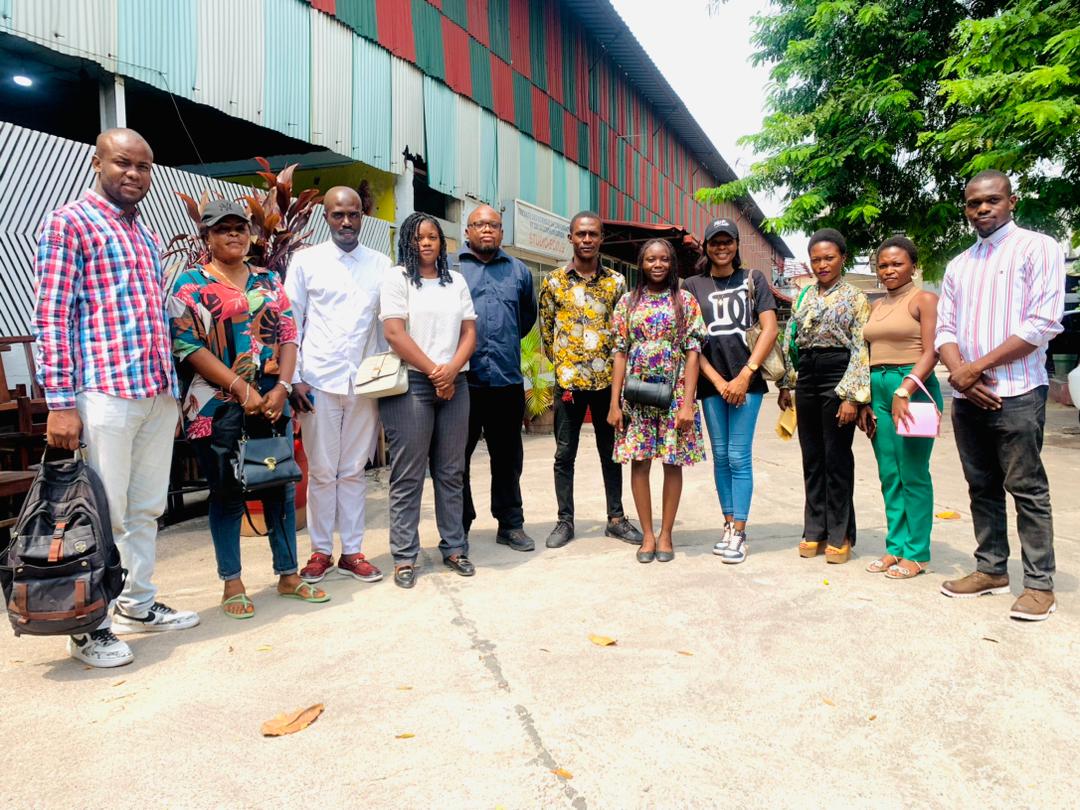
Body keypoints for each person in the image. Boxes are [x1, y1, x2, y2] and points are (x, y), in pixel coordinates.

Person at [33, 128, 199, 668]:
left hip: (154, 390)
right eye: (123, 163)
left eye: (144, 167)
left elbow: (146, 310)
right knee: (101, 513)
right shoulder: (70, 224)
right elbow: (53, 317)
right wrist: (60, 401)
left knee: (145, 508)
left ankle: (137, 603)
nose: (133, 174)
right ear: (98, 162)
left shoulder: (144, 236)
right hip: (105, 392)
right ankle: (90, 626)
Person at [170, 200, 328, 617]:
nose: (234, 235)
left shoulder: (268, 281)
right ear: (207, 236)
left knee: (278, 483)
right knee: (226, 493)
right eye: (223, 229)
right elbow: (186, 345)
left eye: (240, 228)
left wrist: (282, 387)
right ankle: (233, 583)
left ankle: (289, 574)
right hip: (215, 406)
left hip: (271, 400)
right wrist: (241, 388)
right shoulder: (190, 285)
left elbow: (290, 335)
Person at [935, 169, 1064, 620]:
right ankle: (991, 569)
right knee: (981, 486)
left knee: (1027, 489)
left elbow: (1042, 323)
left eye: (992, 200)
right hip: (969, 396)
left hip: (1019, 391)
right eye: (973, 203)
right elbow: (945, 329)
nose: (982, 209)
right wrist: (960, 374)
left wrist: (975, 369)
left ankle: (1039, 584)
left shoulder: (1039, 247)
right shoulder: (959, 265)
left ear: (1012, 201)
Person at [284, 186, 391, 585]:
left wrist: (385, 379)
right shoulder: (305, 261)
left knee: (353, 470)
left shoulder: (381, 264)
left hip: (364, 382)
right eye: (338, 215)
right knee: (323, 471)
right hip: (317, 381)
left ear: (362, 217)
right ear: (325, 217)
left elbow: (386, 326)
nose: (346, 222)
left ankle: (353, 551)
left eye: (353, 214)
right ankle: (320, 551)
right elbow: (290, 321)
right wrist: (292, 379)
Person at [379, 212, 478, 589]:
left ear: (442, 242)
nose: (426, 243)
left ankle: (454, 547)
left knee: (451, 472)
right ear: (408, 240)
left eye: (433, 236)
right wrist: (436, 372)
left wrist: (451, 371)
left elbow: (470, 332)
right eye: (419, 237)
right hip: (412, 385)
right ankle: (405, 556)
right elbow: (394, 333)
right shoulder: (397, 278)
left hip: (456, 385)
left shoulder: (457, 282)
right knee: (408, 475)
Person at [538, 212, 644, 548]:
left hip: (607, 387)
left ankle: (616, 517)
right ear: (570, 237)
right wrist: (568, 367)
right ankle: (564, 521)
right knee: (564, 454)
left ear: (601, 239)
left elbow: (623, 335)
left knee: (610, 452)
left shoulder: (616, 283)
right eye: (580, 234)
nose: (586, 240)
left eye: (593, 234)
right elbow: (547, 331)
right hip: (569, 387)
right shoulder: (553, 283)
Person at [683, 218, 779, 564]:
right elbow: (691, 342)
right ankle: (727, 523)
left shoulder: (753, 280)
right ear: (705, 247)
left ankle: (740, 531)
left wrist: (745, 374)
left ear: (737, 246)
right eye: (715, 242)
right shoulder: (692, 285)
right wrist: (720, 381)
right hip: (712, 386)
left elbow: (769, 329)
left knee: (739, 456)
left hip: (747, 384)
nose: (721, 248)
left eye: (728, 242)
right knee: (720, 456)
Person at [608, 239, 706, 563]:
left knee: (672, 461)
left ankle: (666, 534)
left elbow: (694, 353)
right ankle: (647, 535)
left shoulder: (685, 300)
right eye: (651, 259)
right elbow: (619, 352)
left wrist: (688, 403)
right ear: (642, 263)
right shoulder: (627, 302)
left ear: (672, 263)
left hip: (674, 390)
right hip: (636, 394)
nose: (658, 264)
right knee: (639, 461)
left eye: (664, 259)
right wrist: (614, 403)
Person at [778, 228, 870, 564]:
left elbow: (862, 347)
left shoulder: (855, 298)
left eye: (829, 258)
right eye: (816, 259)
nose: (822, 264)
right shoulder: (803, 295)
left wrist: (852, 396)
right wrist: (787, 383)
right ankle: (814, 529)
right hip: (808, 377)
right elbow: (791, 340)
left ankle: (840, 533)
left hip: (838, 372)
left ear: (842, 258)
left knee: (837, 458)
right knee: (812, 458)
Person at [453, 204, 538, 552]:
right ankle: (459, 524)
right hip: (462, 383)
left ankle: (510, 523)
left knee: (508, 458)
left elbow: (526, 319)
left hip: (506, 381)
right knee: (456, 457)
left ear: (502, 232)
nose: (486, 230)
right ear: (467, 230)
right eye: (479, 224)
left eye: (493, 225)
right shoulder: (451, 270)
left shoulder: (519, 271)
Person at [859, 236, 942, 579]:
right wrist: (864, 399)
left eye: (897, 263)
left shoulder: (924, 299)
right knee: (889, 472)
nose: (890, 270)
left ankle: (918, 551)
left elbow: (933, 350)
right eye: (883, 265)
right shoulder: (876, 306)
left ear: (913, 265)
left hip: (913, 387)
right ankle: (895, 546)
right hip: (878, 387)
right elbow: (864, 352)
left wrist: (906, 389)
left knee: (913, 472)